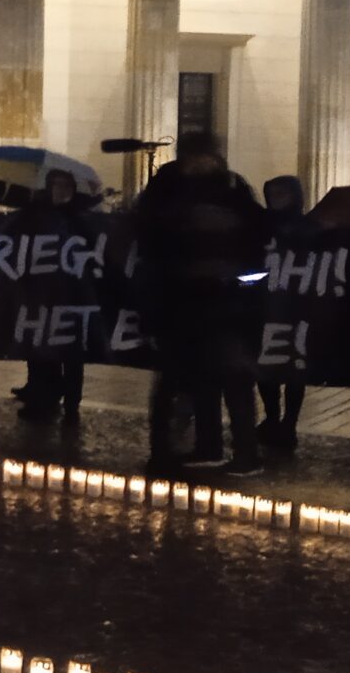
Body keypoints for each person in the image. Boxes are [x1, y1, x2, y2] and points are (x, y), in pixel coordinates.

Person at [132, 127, 269, 475]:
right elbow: (147, 233)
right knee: (190, 379)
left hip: (223, 299)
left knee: (233, 377)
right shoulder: (171, 186)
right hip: (181, 300)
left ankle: (244, 452)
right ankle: (198, 448)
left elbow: (257, 235)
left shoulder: (232, 187)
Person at [15, 169, 98, 423]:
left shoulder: (82, 218)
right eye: (57, 185)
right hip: (42, 294)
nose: (61, 190)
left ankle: (71, 404)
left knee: (72, 356)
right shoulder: (35, 216)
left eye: (66, 185)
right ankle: (42, 399)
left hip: (72, 295)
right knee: (42, 352)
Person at [254, 175, 313, 453]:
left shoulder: (309, 229)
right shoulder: (261, 227)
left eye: (282, 193)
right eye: (273, 193)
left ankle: (289, 423)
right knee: (266, 367)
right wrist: (249, 283)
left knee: (293, 368)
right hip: (265, 304)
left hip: (295, 306)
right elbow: (251, 262)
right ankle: (273, 417)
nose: (277, 198)